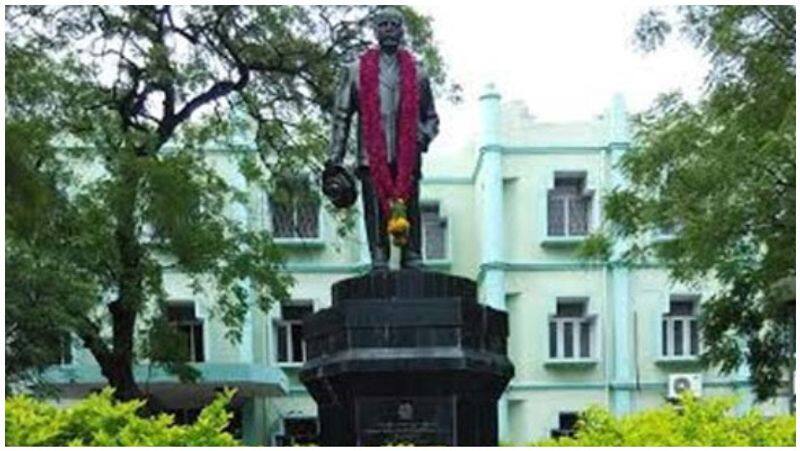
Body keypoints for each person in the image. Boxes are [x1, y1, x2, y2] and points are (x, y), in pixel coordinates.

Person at [325, 6, 439, 271]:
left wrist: (422, 136)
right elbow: (341, 117)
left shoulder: (418, 73)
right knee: (374, 211)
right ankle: (379, 256)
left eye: (394, 24)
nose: (388, 29)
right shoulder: (355, 71)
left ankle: (412, 254)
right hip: (370, 155)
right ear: (375, 31)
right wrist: (334, 159)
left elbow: (431, 117)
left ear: (402, 31)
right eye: (383, 24)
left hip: (406, 156)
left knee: (410, 208)